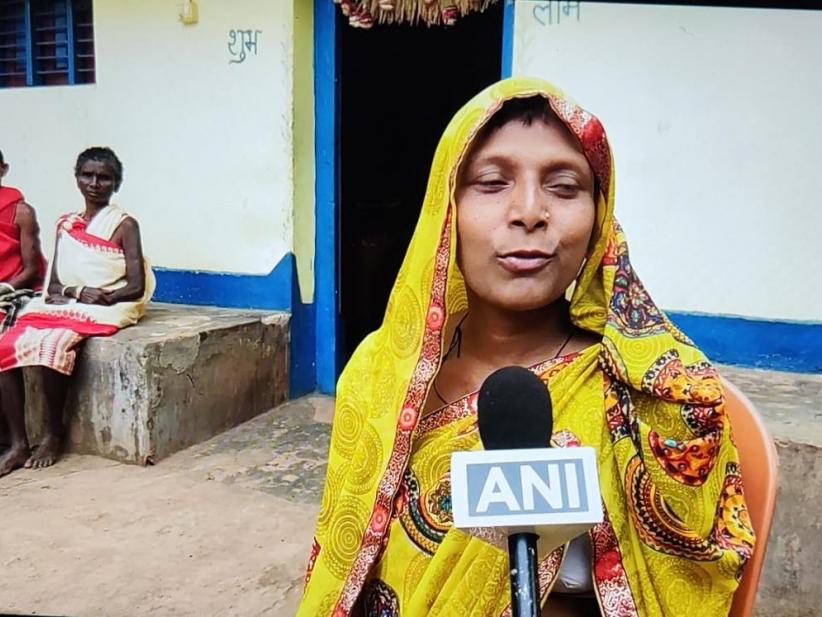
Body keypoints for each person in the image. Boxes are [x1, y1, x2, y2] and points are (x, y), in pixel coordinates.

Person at [297, 77, 755, 617]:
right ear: (446, 210)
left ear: (599, 221)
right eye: (492, 182)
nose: (530, 212)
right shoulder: (378, 374)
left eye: (564, 188)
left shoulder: (653, 398)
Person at [0, 147, 155, 477]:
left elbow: (136, 286)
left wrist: (101, 297)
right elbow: (54, 286)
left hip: (108, 305)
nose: (95, 183)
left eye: (104, 177)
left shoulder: (125, 225)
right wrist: (77, 292)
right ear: (77, 179)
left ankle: (53, 434)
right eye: (88, 175)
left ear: (115, 183)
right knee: (5, 343)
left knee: (51, 345)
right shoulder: (66, 225)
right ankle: (17, 443)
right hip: (72, 301)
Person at [0, 149, 47, 331]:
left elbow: (31, 270)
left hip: (11, 290)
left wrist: (6, 288)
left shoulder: (21, 212)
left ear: (3, 169)